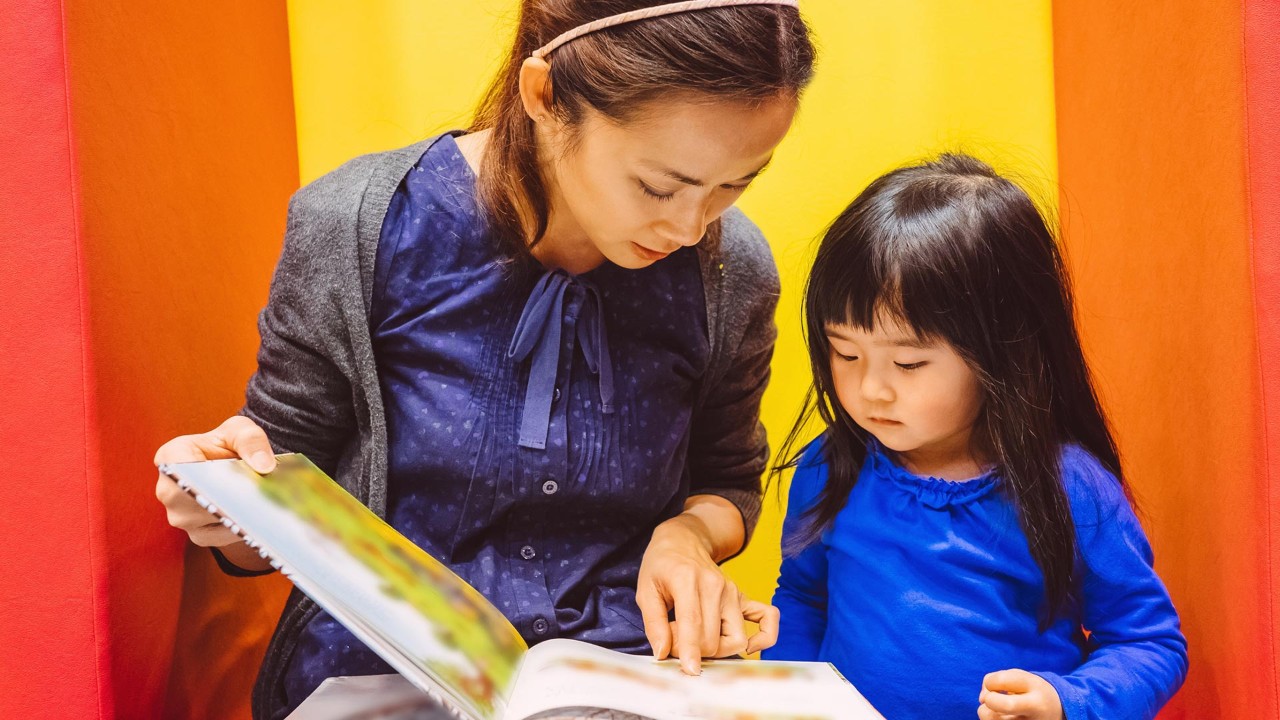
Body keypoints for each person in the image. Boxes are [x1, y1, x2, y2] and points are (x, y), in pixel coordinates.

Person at [153, 1, 815, 716]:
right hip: (376, 679)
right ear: (545, 94)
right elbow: (276, 496)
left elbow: (730, 478)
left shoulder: (732, 270)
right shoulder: (359, 227)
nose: (690, 226)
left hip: (626, 679)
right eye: (658, 186)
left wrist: (688, 536)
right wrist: (226, 502)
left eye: (735, 184)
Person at [763, 154, 1188, 719]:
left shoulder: (1069, 488)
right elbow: (802, 599)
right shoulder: (831, 467)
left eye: (909, 363)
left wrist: (1068, 701)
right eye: (845, 353)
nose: (871, 390)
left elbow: (1149, 643)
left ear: (1002, 353)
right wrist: (789, 701)